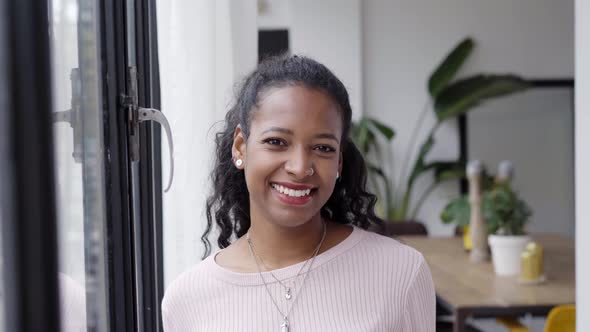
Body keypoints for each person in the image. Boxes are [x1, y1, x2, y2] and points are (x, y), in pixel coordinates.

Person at [161, 55, 435, 331]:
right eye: (277, 142)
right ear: (240, 147)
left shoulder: (401, 272)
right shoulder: (187, 300)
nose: (300, 167)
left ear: (339, 161)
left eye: (323, 148)